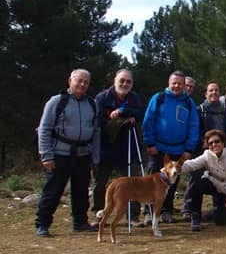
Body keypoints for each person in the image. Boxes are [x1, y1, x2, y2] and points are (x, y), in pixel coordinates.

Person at [35, 69, 101, 236]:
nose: (83, 84)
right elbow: (44, 129)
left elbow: (96, 131)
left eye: (86, 82)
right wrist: (46, 155)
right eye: (79, 80)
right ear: (70, 81)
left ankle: (80, 222)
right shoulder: (57, 102)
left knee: (81, 191)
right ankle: (42, 224)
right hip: (59, 154)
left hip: (83, 154)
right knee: (53, 191)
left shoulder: (92, 104)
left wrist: (95, 157)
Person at [140, 71, 200, 225]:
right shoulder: (159, 98)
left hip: (178, 150)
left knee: (171, 183)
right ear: (169, 83)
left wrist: (189, 149)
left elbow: (194, 126)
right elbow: (148, 121)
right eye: (174, 83)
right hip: (158, 148)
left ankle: (166, 211)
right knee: (151, 182)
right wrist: (149, 143)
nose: (177, 86)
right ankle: (149, 213)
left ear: (184, 85)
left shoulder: (188, 102)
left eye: (180, 83)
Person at [92, 69, 145, 221]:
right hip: (106, 147)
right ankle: (99, 215)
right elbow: (99, 121)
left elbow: (140, 114)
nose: (125, 84)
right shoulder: (102, 97)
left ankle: (132, 216)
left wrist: (123, 111)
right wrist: (124, 120)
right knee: (100, 183)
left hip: (128, 147)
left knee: (132, 182)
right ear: (115, 81)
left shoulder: (134, 97)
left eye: (128, 81)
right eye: (122, 80)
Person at [181, 81, 226, 221]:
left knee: (220, 179)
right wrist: (203, 141)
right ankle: (189, 210)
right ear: (205, 94)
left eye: (216, 90)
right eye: (211, 90)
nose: (214, 93)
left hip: (222, 152)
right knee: (195, 179)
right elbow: (193, 129)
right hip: (202, 150)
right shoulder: (199, 110)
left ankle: (218, 210)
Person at [180, 130, 226, 231]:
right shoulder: (207, 155)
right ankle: (196, 217)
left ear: (223, 142)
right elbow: (191, 165)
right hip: (214, 184)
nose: (214, 145)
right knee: (197, 181)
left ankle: (214, 212)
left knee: (221, 221)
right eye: (210, 143)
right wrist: (174, 167)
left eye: (217, 141)